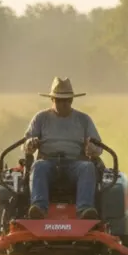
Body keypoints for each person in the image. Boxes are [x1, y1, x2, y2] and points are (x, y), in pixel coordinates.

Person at [23, 77, 104, 219]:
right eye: (59, 100)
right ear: (52, 100)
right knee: (38, 166)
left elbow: (98, 148)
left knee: (88, 167)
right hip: (47, 162)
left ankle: (85, 210)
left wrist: (92, 148)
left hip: (76, 164)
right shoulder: (40, 118)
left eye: (67, 100)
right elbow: (26, 144)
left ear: (72, 100)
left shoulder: (84, 120)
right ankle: (39, 209)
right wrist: (30, 144)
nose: (63, 104)